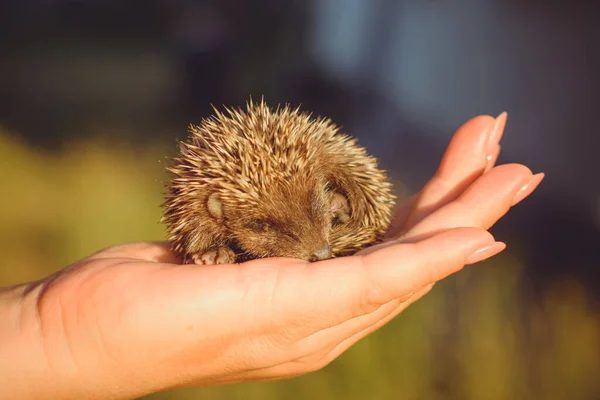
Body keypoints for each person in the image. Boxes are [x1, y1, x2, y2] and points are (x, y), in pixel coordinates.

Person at [0, 113, 543, 400]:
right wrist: (56, 339)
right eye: (269, 230)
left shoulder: (318, 165)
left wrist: (47, 335)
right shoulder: (205, 210)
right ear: (216, 210)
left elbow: (342, 201)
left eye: (322, 220)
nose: (320, 248)